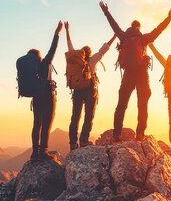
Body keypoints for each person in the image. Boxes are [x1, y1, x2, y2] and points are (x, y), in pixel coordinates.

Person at [99, 1, 171, 142]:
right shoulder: (143, 38)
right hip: (142, 74)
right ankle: (140, 134)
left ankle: (116, 134)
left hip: (128, 74)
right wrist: (170, 17)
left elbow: (113, 24)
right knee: (142, 105)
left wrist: (105, 11)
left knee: (121, 105)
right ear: (139, 27)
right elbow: (159, 29)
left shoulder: (123, 36)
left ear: (131, 26)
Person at [64, 21, 116, 149]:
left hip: (77, 90)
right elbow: (105, 49)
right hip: (90, 90)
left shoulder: (77, 60)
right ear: (90, 53)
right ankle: (84, 141)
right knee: (89, 116)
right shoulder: (93, 60)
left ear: (81, 53)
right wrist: (115, 36)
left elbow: (70, 46)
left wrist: (67, 30)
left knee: (75, 116)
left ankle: (72, 143)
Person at [29, 21, 62, 160]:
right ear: (39, 57)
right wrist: (57, 33)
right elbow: (53, 48)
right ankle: (43, 152)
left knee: (37, 124)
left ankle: (34, 152)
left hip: (36, 97)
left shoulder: (32, 68)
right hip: (48, 96)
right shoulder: (45, 63)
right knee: (47, 123)